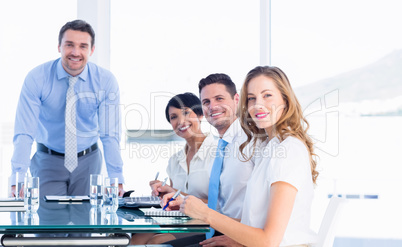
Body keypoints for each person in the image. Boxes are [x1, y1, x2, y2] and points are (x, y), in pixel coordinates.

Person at [174, 66, 319, 246]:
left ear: (285, 99)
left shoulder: (287, 150)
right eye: (252, 98)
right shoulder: (271, 147)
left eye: (267, 95)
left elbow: (269, 241)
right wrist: (240, 239)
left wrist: (206, 214)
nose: (258, 105)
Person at [10, 19, 125, 197]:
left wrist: (115, 178)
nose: (75, 52)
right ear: (59, 46)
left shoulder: (105, 81)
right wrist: (18, 178)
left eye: (83, 46)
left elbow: (110, 134)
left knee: (88, 222)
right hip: (48, 161)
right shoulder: (37, 78)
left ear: (91, 50)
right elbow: (24, 132)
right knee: (48, 224)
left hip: (89, 162)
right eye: (69, 45)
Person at [162, 73, 255, 246]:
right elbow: (222, 202)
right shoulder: (225, 145)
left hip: (238, 233)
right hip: (219, 228)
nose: (212, 106)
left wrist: (243, 239)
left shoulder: (250, 141)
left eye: (219, 98)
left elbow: (266, 203)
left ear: (237, 99)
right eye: (206, 102)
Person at [131, 92, 217, 244]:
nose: (180, 121)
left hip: (208, 223)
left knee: (155, 242)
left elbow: (221, 205)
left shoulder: (217, 153)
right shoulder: (174, 160)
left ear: (200, 114)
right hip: (181, 222)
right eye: (174, 117)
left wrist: (176, 194)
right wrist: (164, 194)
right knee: (135, 239)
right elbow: (174, 201)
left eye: (186, 113)